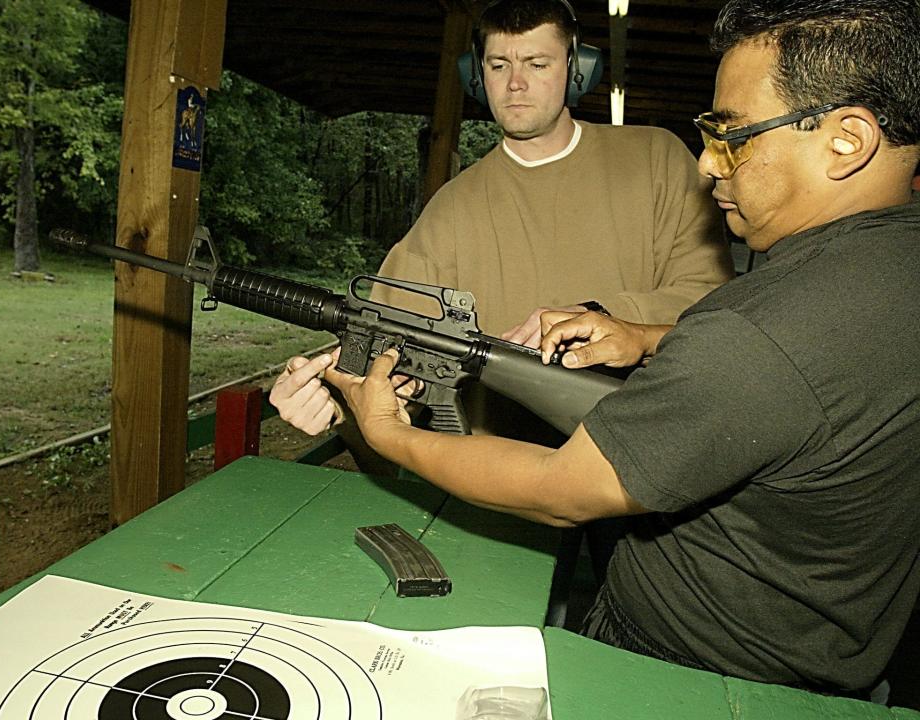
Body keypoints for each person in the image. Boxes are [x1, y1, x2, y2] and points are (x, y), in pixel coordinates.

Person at [320, 0, 920, 696]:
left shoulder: (758, 329)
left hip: (683, 668)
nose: (707, 164)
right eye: (498, 65)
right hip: (821, 653)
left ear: (848, 140)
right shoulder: (890, 265)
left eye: (732, 136)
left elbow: (561, 492)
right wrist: (647, 337)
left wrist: (388, 433)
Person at [270, 0, 733, 439]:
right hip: (498, 474)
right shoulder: (450, 208)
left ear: (576, 69)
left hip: (645, 449)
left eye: (537, 63)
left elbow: (715, 304)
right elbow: (392, 339)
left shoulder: (657, 159)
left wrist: (609, 319)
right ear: (477, 76)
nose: (515, 83)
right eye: (498, 65)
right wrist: (330, 396)